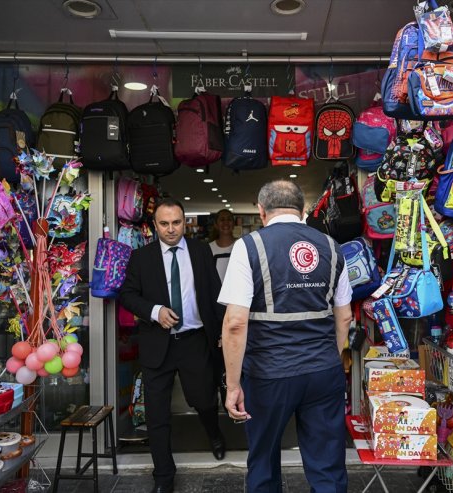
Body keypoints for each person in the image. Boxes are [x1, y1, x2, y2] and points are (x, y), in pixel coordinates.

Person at [219, 180, 353, 492]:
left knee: (264, 462)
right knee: (328, 465)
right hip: (323, 371)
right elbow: (344, 316)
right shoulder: (332, 248)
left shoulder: (248, 246)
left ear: (261, 210)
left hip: (269, 373)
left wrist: (233, 385)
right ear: (303, 210)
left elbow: (235, 323)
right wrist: (328, 359)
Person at [120, 197, 226, 493]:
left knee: (204, 400)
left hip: (195, 342)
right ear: (154, 225)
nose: (170, 229)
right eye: (164, 224)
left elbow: (215, 293)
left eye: (176, 223)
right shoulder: (142, 257)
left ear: (185, 222)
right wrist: (154, 311)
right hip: (158, 344)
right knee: (157, 415)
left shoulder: (201, 250)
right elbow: (127, 295)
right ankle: (163, 476)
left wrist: (221, 333)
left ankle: (214, 433)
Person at [209, 208, 236, 283]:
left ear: (234, 224)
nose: (226, 222)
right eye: (222, 220)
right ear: (216, 225)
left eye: (229, 219)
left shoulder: (242, 246)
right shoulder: (208, 249)